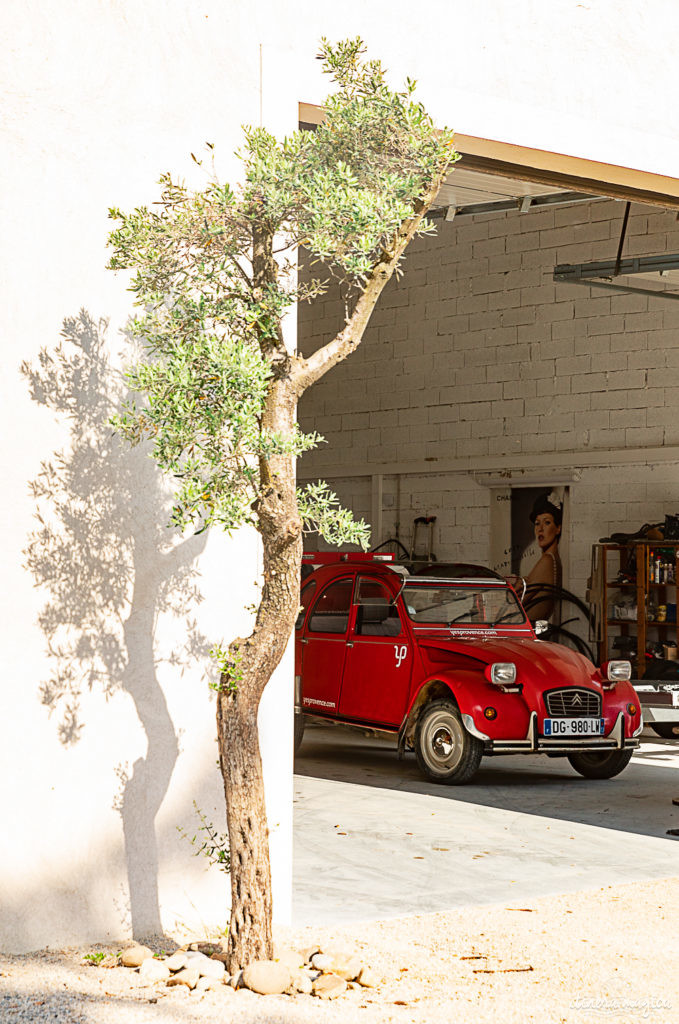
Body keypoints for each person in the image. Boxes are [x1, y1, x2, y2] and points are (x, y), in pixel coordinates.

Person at [525, 492, 563, 623]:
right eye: (537, 523)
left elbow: (517, 602)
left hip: (529, 632)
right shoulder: (554, 559)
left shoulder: (547, 560)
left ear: (558, 528)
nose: (540, 529)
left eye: (547, 523)